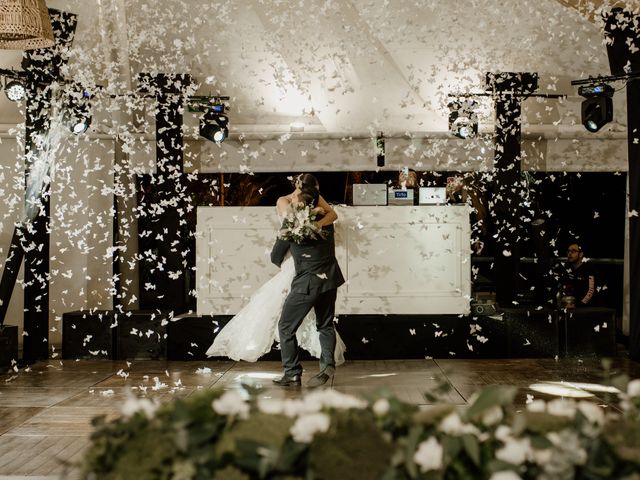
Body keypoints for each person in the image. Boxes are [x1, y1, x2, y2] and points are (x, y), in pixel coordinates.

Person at [205, 174, 345, 364]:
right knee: (290, 310)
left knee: (289, 318)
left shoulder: (313, 197)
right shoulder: (285, 201)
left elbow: (331, 215)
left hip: (303, 261)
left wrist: (317, 222)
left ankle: (293, 370)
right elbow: (292, 221)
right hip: (296, 255)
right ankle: (318, 363)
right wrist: (313, 213)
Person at [270, 186, 345, 387]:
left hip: (307, 284)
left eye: (294, 196)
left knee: (286, 327)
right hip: (330, 279)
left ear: (300, 203)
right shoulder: (327, 223)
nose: (291, 197)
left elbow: (275, 256)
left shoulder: (292, 225)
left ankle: (292, 373)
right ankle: (327, 365)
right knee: (325, 324)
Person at [561, 243, 596, 308]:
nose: (570, 254)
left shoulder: (589, 269)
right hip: (568, 306)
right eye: (568, 251)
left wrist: (578, 305)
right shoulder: (566, 268)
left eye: (573, 251)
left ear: (580, 254)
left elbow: (591, 291)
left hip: (585, 308)